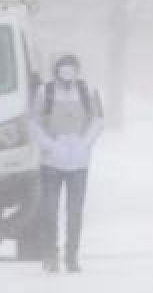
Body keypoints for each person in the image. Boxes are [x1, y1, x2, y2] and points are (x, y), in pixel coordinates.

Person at [30, 54, 104, 273]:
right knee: (50, 211)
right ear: (57, 71)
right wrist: (50, 145)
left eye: (71, 69)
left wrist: (84, 143)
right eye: (64, 69)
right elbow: (34, 122)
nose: (68, 73)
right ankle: (50, 255)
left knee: (75, 212)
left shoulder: (88, 91)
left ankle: (72, 256)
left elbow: (98, 119)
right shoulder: (45, 92)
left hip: (79, 163)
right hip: (51, 162)